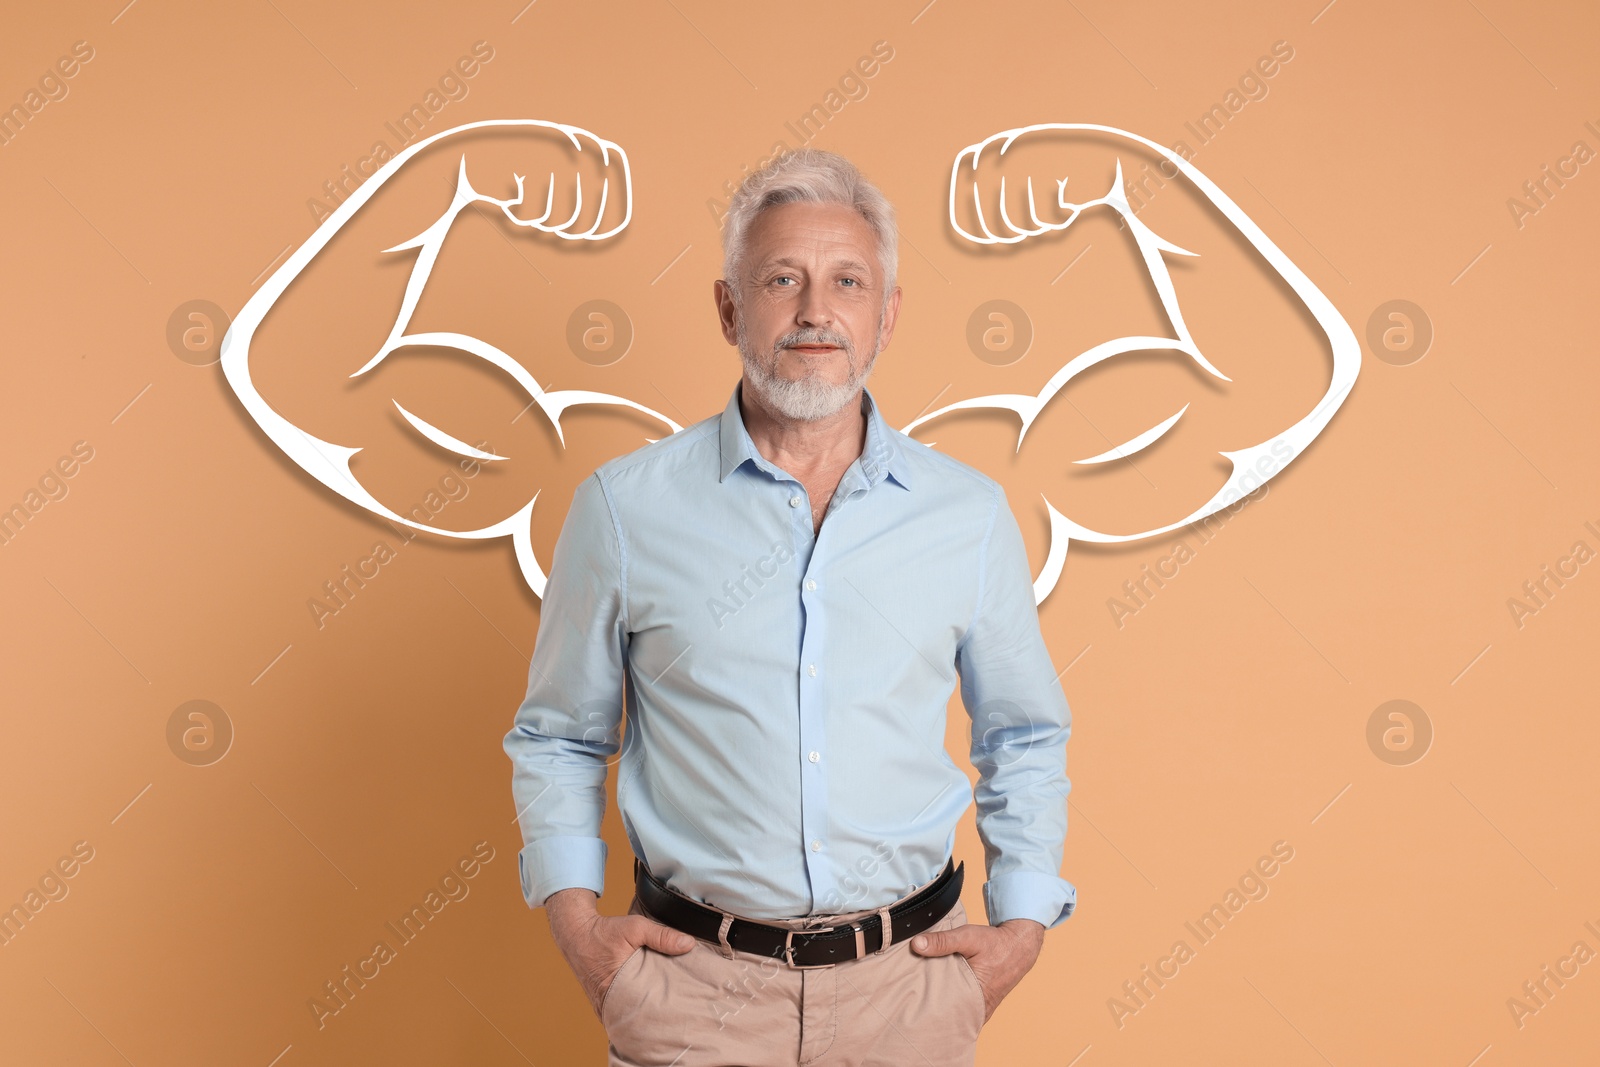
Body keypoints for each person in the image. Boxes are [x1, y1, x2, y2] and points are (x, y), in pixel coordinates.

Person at [504, 147, 1075, 1066]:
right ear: (730, 307)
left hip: (911, 996)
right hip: (690, 997)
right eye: (782, 279)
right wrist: (583, 935)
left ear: (885, 315)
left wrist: (1021, 929)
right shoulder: (624, 508)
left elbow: (1023, 736)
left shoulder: (967, 515)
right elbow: (561, 735)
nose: (816, 310)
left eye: (847, 281)